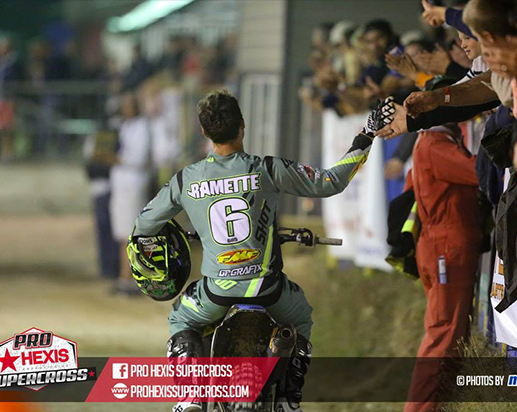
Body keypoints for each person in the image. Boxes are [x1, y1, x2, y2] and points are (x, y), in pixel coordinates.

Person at [129, 90, 386, 412]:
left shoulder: (186, 180)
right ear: (243, 126)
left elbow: (143, 225)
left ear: (205, 132)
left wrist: (178, 238)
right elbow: (330, 182)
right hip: (269, 290)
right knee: (301, 318)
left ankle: (191, 395)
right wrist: (366, 136)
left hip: (216, 293)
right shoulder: (266, 168)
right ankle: (289, 398)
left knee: (182, 319)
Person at [403, 119, 481, 412]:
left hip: (437, 247)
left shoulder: (427, 143)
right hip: (445, 250)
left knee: (449, 335)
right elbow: (478, 171)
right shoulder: (436, 144)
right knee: (444, 335)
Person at [110, 93, 154, 294]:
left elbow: (139, 157)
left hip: (133, 184)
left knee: (133, 234)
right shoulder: (125, 126)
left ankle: (137, 280)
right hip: (122, 185)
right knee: (122, 234)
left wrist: (114, 158)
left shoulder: (142, 127)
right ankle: (124, 278)